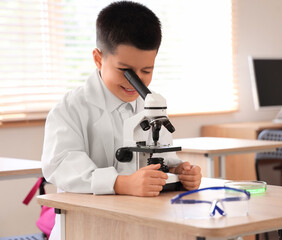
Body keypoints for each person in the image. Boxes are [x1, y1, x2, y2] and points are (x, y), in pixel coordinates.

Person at [42, 1, 202, 198]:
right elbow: (61, 165)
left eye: (146, 70)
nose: (137, 82)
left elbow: (162, 155)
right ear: (99, 59)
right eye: (125, 71)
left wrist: (179, 171)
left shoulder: (150, 106)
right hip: (84, 220)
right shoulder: (70, 108)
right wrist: (120, 183)